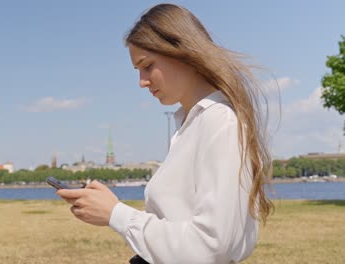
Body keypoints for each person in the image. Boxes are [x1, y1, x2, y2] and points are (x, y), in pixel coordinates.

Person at [57, 3, 273, 264]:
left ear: (182, 53)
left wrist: (116, 214)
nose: (142, 81)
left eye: (147, 66)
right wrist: (111, 208)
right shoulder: (193, 124)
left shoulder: (219, 122)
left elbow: (209, 247)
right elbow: (184, 227)